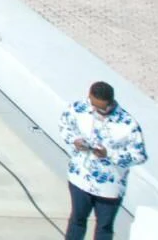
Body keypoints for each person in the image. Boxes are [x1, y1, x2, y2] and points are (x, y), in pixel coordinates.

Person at [59, 81, 146, 240]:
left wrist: (110, 154)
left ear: (111, 102)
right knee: (77, 220)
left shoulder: (127, 123)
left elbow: (139, 155)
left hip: (109, 186)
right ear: (89, 96)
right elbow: (65, 126)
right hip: (80, 179)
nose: (98, 111)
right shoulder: (78, 109)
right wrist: (75, 140)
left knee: (104, 227)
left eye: (103, 108)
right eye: (94, 106)